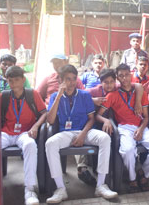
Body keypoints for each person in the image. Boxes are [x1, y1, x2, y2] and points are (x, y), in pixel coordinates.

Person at [45, 65, 117, 203]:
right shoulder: (55, 96)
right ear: (61, 80)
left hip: (86, 131)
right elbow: (50, 120)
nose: (71, 83)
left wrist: (83, 135)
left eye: (73, 79)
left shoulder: (84, 95)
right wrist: (59, 96)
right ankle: (60, 188)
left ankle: (101, 185)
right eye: (67, 79)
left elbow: (91, 119)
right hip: (66, 133)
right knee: (50, 144)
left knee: (105, 139)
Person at [96, 64, 149, 193]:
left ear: (131, 74)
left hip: (142, 127)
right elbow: (98, 114)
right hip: (124, 128)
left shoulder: (139, 92)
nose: (124, 78)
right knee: (127, 150)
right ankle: (132, 178)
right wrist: (105, 120)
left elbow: (146, 117)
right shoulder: (113, 95)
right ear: (117, 77)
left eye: (127, 75)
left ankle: (143, 173)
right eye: (121, 76)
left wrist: (141, 129)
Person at [1, 66, 47, 205]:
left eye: (16, 80)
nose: (13, 83)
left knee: (30, 145)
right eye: (10, 80)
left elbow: (44, 113)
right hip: (6, 132)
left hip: (25, 132)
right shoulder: (4, 96)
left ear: (23, 79)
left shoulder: (32, 94)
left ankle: (30, 190)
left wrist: (36, 126)